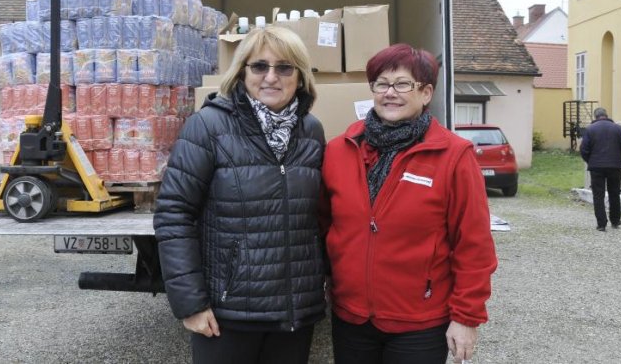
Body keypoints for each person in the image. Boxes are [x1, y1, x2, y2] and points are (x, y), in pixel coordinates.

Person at [153, 25, 327, 364]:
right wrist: (191, 303)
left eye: (284, 67)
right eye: (259, 66)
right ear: (242, 72)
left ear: (300, 76)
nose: (271, 77)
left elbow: (320, 218)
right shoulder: (208, 127)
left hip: (293, 314)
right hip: (227, 313)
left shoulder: (312, 131)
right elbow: (174, 215)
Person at [320, 43, 498, 364]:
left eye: (403, 84)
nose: (390, 93)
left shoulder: (453, 155)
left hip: (419, 322)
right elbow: (323, 225)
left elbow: (473, 244)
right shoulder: (339, 150)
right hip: (352, 316)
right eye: (381, 83)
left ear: (426, 93)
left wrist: (467, 316)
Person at [580, 107, 621, 231]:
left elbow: (584, 150)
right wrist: (619, 160)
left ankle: (601, 224)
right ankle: (615, 220)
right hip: (615, 167)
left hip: (596, 167)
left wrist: (590, 161)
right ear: (606, 115)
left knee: (598, 195)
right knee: (614, 193)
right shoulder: (619, 129)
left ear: (595, 117)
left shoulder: (590, 129)